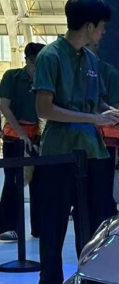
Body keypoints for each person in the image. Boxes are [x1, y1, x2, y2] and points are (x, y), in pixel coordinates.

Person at [34, 0, 119, 284]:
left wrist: (111, 113)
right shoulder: (50, 56)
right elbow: (44, 109)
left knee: (93, 226)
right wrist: (92, 120)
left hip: (93, 153)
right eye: (102, 26)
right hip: (59, 153)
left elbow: (95, 102)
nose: (104, 32)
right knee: (53, 225)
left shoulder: (91, 58)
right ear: (89, 26)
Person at [0, 42, 45, 243]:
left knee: (40, 181)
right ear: (27, 60)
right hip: (14, 135)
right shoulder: (12, 77)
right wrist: (20, 134)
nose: (36, 67)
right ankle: (8, 227)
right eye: (35, 62)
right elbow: (4, 106)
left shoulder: (46, 79)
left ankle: (39, 226)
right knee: (13, 181)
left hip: (38, 135)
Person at [88, 39, 119, 220]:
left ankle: (105, 215)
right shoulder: (75, 69)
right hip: (83, 135)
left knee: (102, 184)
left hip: (104, 136)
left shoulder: (108, 72)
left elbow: (112, 107)